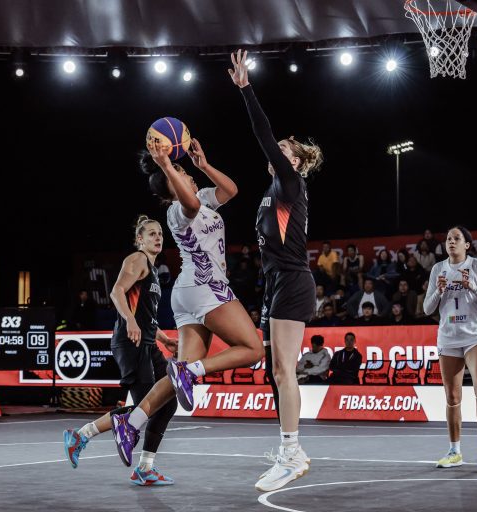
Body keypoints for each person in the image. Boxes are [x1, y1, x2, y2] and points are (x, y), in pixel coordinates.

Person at [112, 137, 264, 471]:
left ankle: (131, 423)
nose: (188, 175)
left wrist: (203, 165)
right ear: (171, 185)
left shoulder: (204, 199)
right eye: (180, 173)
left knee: (180, 376)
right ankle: (188, 369)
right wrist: (167, 164)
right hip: (205, 286)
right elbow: (190, 206)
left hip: (189, 292)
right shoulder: (177, 210)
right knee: (254, 349)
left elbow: (232, 190)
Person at [231, 49, 322, 491]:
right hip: (276, 286)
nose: (279, 151)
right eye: (280, 151)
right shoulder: (270, 192)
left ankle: (291, 452)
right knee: (277, 372)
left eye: (287, 150)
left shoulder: (290, 182)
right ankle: (291, 447)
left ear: (297, 162)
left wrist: (247, 90)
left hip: (293, 282)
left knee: (285, 370)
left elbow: (264, 134)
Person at [63, 215, 179, 486]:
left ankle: (145, 467)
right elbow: (116, 292)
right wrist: (128, 319)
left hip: (148, 343)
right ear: (139, 239)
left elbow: (146, 316)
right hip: (131, 343)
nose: (158, 237)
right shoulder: (136, 260)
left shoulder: (152, 269)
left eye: (160, 233)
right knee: (144, 407)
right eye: (151, 234)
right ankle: (80, 436)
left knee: (168, 400)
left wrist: (164, 339)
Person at [423, 226, 477, 473]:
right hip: (448, 337)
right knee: (452, 397)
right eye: (448, 239)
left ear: (467, 244)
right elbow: (427, 309)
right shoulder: (438, 269)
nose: (451, 242)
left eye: (456, 239)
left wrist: (473, 287)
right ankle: (454, 451)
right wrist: (439, 290)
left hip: (475, 335)